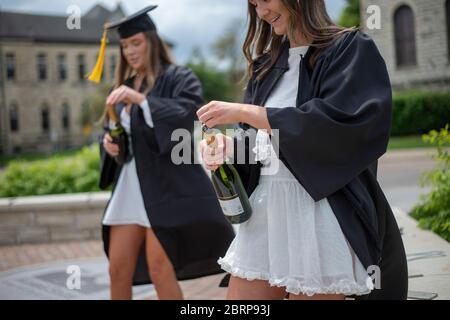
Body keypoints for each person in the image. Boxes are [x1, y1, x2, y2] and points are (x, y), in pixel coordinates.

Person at [197, 0, 408, 300]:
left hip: (320, 217)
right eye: (254, 4)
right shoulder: (266, 67)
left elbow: (340, 127)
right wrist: (228, 148)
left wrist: (249, 112)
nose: (260, 12)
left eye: (265, 0)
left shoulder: (350, 49)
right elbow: (259, 147)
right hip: (266, 218)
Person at [92, 5, 235, 300]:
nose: (130, 51)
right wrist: (109, 145)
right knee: (118, 269)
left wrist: (143, 101)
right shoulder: (123, 88)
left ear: (151, 41)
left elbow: (185, 116)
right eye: (125, 46)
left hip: (165, 190)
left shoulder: (179, 78)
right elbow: (115, 134)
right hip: (131, 187)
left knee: (159, 268)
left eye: (136, 43)